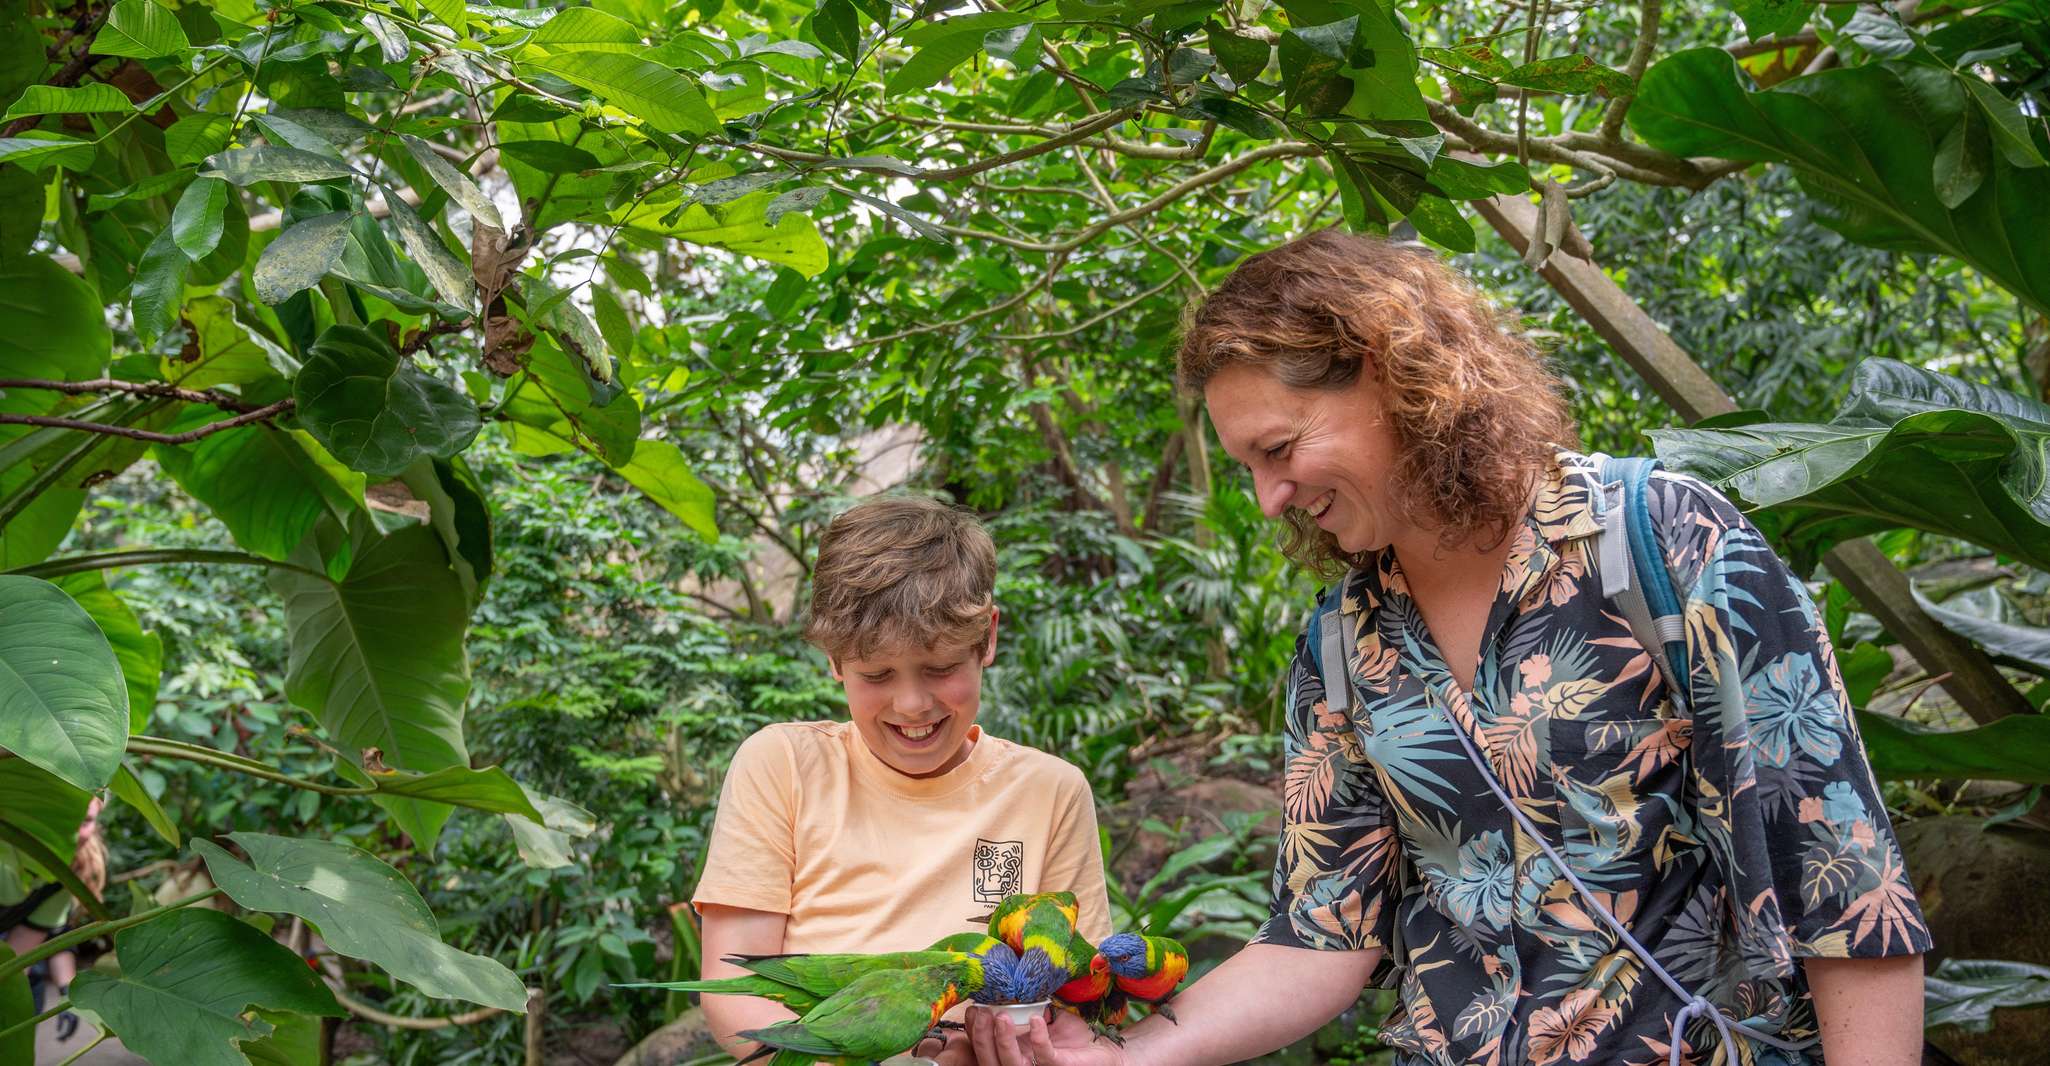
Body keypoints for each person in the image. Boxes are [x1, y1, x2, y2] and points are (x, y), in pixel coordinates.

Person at [967, 230, 1929, 1066]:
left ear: (1387, 376)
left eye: (1279, 450)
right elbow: (1321, 935)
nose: (1267, 500)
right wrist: (1118, 1053)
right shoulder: (1343, 642)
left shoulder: (1667, 543)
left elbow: (1846, 886)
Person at [691, 495, 1114, 1063]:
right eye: (876, 674)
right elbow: (735, 993)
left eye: (940, 667)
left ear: (987, 637)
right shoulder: (782, 764)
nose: (912, 703)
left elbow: (1080, 999)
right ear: (835, 660)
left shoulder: (1050, 792)